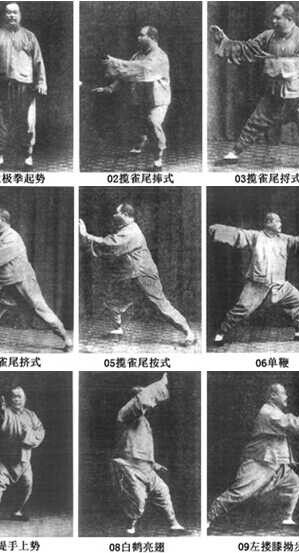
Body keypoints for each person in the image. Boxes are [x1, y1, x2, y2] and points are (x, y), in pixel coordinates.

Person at [210, 3, 299, 170]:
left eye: (277, 18)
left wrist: (270, 59)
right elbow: (247, 48)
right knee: (256, 121)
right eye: (273, 17)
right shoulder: (268, 35)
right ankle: (235, 153)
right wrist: (225, 42)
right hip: (275, 91)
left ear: (289, 19)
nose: (273, 21)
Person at [207, 383, 299, 528]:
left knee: (294, 483)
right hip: (260, 461)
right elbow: (294, 424)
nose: (286, 396)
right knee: (239, 493)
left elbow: (295, 427)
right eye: (283, 393)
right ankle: (207, 518)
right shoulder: (269, 412)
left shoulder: (275, 411)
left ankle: (286, 518)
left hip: (275, 461)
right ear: (273, 395)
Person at [0, 209, 72, 351]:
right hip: (2, 282)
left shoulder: (13, 238)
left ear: (2, 220)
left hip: (21, 281)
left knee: (40, 309)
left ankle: (67, 339)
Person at [79, 203, 196, 346]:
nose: (114, 215)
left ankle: (189, 333)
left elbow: (111, 244)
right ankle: (117, 330)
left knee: (161, 305)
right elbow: (111, 244)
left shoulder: (132, 231)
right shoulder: (126, 229)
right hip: (130, 275)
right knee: (114, 301)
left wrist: (86, 236)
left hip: (143, 274)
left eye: (117, 213)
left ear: (126, 215)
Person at [209, 213, 299, 346]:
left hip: (280, 285)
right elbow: (238, 235)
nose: (281, 224)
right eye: (278, 222)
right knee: (241, 310)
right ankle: (220, 334)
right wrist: (217, 230)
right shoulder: (255, 236)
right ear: (269, 223)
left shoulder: (284, 239)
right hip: (258, 285)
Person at [111, 373, 184, 535]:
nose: (150, 405)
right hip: (130, 467)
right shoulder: (125, 415)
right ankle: (130, 525)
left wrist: (155, 464)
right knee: (138, 500)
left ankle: (173, 523)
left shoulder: (144, 422)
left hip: (146, 468)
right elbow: (140, 402)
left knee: (163, 491)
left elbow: (142, 447)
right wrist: (160, 384)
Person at [92, 26, 171, 170]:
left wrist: (113, 62)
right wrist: (109, 88)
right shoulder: (137, 55)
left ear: (152, 38)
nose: (138, 38)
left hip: (158, 100)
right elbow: (125, 75)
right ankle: (141, 141)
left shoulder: (160, 56)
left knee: (153, 122)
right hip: (140, 98)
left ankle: (158, 157)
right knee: (139, 124)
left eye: (142, 35)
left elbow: (142, 70)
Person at [0, 2, 47, 168]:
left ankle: (28, 155)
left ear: (20, 15)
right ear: (4, 15)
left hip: (26, 86)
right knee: (0, 120)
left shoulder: (29, 36)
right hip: (2, 84)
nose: (11, 16)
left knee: (28, 121)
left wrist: (41, 82)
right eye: (8, 13)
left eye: (15, 12)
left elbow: (38, 60)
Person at [0, 386, 45, 528]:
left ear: (24, 399)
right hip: (4, 458)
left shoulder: (31, 415)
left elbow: (41, 431)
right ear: (10, 399)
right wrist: (0, 411)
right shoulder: (4, 412)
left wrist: (29, 435)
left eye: (20, 397)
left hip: (23, 460)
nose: (17, 399)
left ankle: (17, 511)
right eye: (14, 397)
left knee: (27, 485)